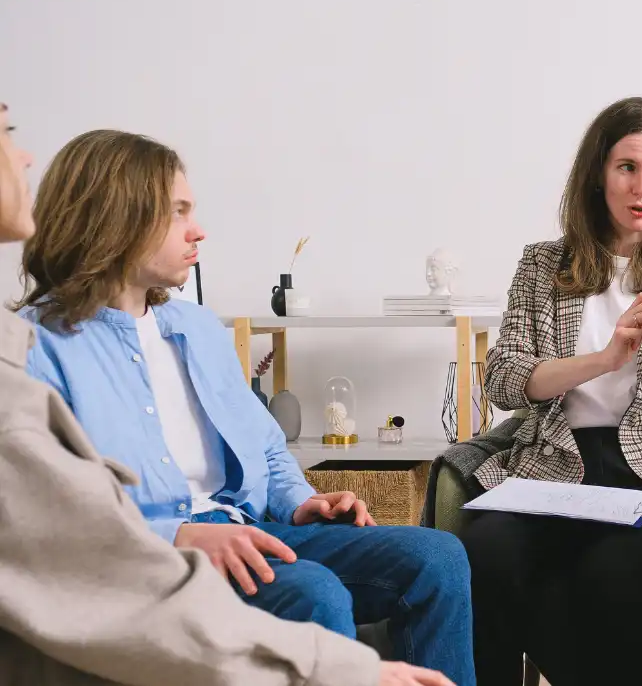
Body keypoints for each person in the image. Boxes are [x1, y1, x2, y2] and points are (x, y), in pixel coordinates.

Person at [0, 104, 451, 686]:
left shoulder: (199, 330)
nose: (199, 230)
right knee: (310, 591)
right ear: (117, 220)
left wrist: (298, 500)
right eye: (178, 213)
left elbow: (264, 445)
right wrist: (178, 534)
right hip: (159, 550)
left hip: (246, 523)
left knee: (437, 559)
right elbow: (61, 516)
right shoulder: (37, 347)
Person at [462, 96, 642, 686]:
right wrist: (607, 358)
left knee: (613, 571)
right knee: (486, 554)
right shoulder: (543, 264)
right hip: (552, 464)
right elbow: (505, 381)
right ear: (597, 175)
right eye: (627, 167)